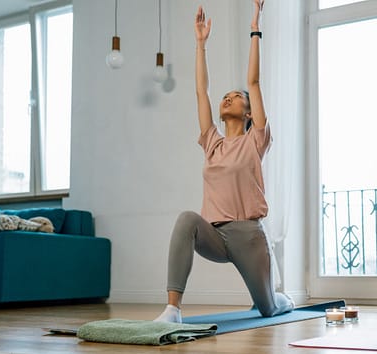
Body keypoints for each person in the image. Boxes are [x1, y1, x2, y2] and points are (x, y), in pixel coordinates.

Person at [154, 0, 294, 323]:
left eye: (237, 96)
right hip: (215, 236)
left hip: (249, 236)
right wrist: (200, 44)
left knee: (267, 309)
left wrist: (255, 27)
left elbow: (254, 82)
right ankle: (172, 309)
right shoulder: (213, 143)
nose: (228, 97)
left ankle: (280, 298)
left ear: (248, 112)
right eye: (226, 96)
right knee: (186, 219)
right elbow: (201, 92)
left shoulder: (256, 139)